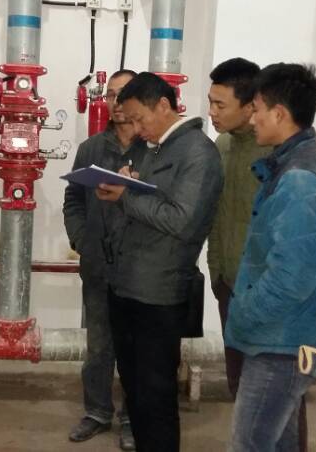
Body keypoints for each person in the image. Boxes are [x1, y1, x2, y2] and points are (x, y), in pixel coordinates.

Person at [96, 72, 223, 452]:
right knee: (134, 389)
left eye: (140, 118)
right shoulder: (146, 148)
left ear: (164, 106)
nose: (136, 128)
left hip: (158, 293)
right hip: (125, 285)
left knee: (156, 395)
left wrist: (126, 196)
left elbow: (182, 220)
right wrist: (126, 180)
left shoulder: (198, 153)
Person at [225, 63, 316, 451]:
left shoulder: (300, 178)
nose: (251, 119)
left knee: (250, 442)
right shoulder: (293, 164)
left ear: (279, 114)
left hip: (279, 343)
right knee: (280, 443)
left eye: (257, 109)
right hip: (283, 337)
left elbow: (293, 277)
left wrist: (245, 312)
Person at [63, 69, 143, 450]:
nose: (116, 102)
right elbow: (73, 201)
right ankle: (97, 411)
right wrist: (82, 240)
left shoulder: (153, 149)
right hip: (98, 265)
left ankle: (132, 418)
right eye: (111, 95)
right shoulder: (91, 149)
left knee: (135, 347)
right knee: (98, 345)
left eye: (124, 94)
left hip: (140, 269)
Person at [206, 57, 269, 398]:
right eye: (210, 103)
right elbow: (218, 213)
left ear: (249, 107)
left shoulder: (274, 152)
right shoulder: (223, 146)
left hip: (262, 290)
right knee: (240, 386)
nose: (212, 113)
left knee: (271, 393)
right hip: (228, 284)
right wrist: (217, 271)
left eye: (221, 105)